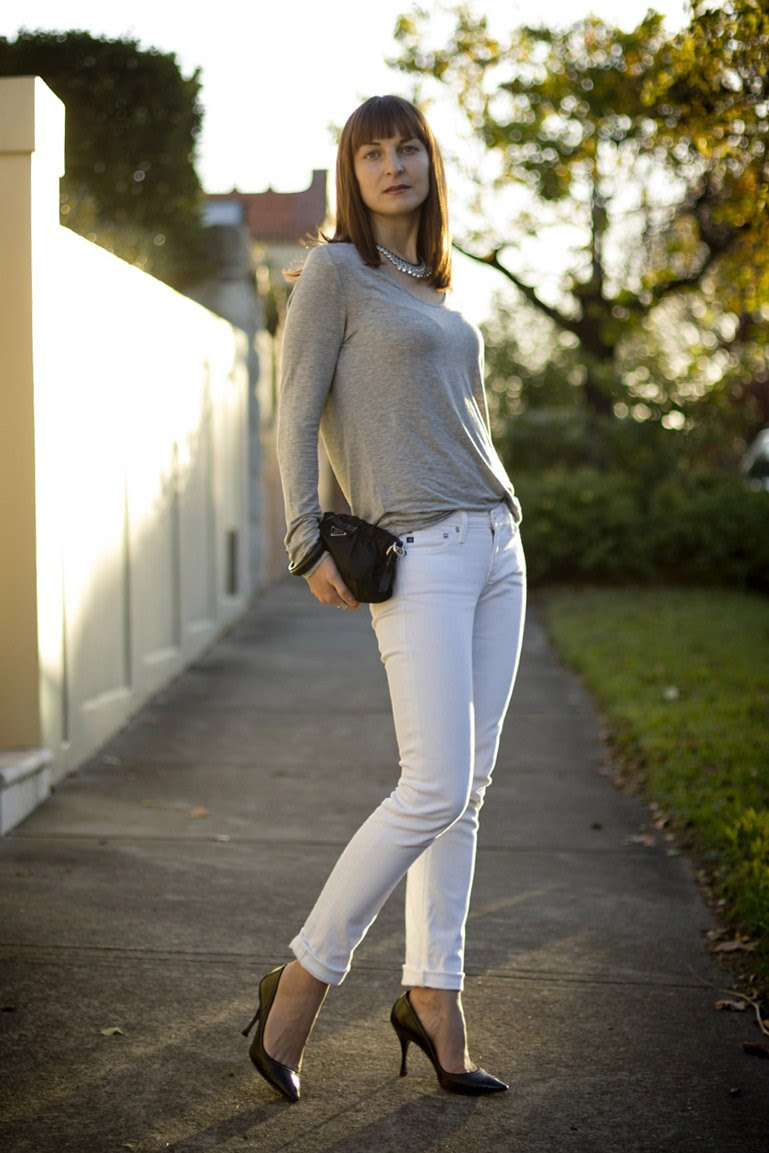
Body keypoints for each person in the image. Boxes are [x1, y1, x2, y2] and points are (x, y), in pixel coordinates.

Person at [242, 94, 527, 1102]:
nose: (393, 165)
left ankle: (435, 996)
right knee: (433, 786)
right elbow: (295, 410)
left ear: (429, 163)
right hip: (420, 553)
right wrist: (304, 537)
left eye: (408, 147)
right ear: (351, 171)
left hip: (497, 544)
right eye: (372, 152)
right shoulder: (332, 272)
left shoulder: (438, 283)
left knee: (468, 790)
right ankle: (302, 981)